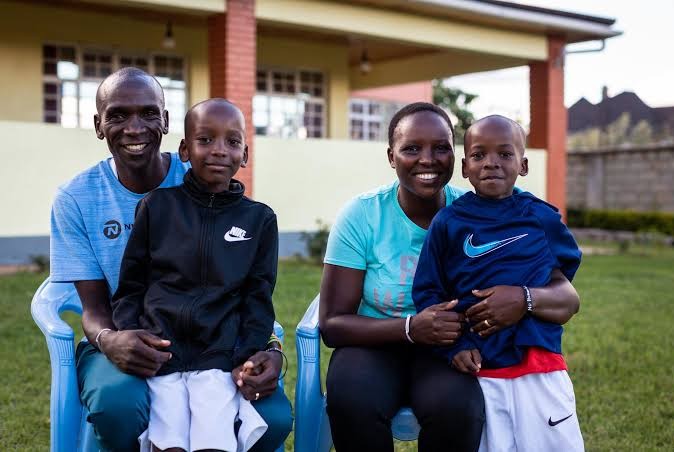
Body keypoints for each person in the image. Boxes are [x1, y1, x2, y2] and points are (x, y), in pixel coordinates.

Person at [50, 68, 292, 452]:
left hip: (216, 341)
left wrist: (271, 349)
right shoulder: (76, 199)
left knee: (273, 417)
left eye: (148, 113)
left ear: (165, 121)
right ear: (98, 125)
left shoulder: (202, 170)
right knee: (121, 406)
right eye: (117, 115)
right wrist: (112, 340)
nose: (134, 128)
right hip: (128, 335)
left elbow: (249, 283)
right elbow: (95, 307)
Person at [319, 102, 581, 452]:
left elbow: (563, 290)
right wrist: (411, 327)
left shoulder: (480, 210)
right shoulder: (362, 215)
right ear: (391, 156)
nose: (427, 159)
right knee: (353, 400)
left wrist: (523, 297)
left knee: (457, 408)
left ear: (455, 159)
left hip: (447, 347)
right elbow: (333, 324)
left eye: (440, 147)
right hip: (375, 343)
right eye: (411, 148)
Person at [111, 98, 277, 451]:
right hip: (161, 354)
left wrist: (246, 356)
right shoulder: (157, 207)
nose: (219, 151)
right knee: (166, 444)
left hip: (218, 359)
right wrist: (135, 336)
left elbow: (258, 297)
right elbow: (131, 286)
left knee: (213, 444)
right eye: (205, 140)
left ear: (245, 155)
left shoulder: (260, 220)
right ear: (185, 149)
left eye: (232, 142)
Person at [412, 115, 584, 451]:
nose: (491, 163)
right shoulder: (448, 223)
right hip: (481, 369)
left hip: (539, 365)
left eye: (504, 154)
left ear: (523, 164)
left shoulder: (542, 218)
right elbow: (428, 291)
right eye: (479, 155)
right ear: (464, 167)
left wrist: (525, 298)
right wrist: (455, 347)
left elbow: (561, 283)